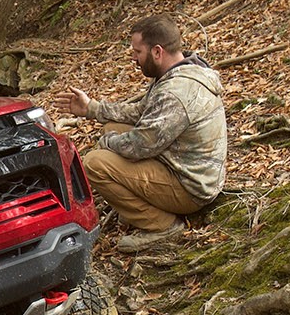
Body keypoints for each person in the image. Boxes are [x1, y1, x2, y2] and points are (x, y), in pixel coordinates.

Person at [51, 15, 226, 251]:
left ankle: (162, 226)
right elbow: (142, 112)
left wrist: (107, 143)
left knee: (94, 163)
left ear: (157, 52)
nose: (133, 57)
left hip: (191, 187)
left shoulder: (176, 93)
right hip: (187, 167)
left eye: (137, 51)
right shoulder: (182, 70)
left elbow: (139, 145)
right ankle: (140, 202)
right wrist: (92, 108)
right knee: (113, 128)